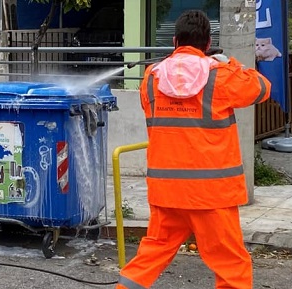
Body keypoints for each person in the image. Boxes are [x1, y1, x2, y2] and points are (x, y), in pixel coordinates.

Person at [116, 10, 271, 289]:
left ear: (175, 40)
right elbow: (261, 88)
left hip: (167, 191)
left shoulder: (152, 78)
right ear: (208, 43)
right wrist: (229, 63)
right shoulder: (220, 77)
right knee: (231, 266)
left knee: (150, 256)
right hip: (211, 195)